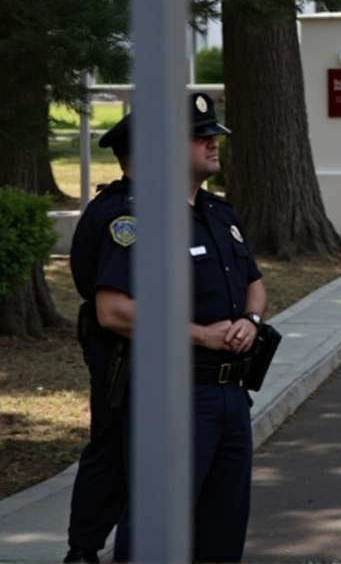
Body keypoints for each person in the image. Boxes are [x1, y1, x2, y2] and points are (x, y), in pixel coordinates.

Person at [107, 93, 268, 563]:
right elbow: (114, 311)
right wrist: (202, 335)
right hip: (175, 395)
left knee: (223, 528)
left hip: (232, 395)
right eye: (199, 137)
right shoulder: (141, 219)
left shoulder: (221, 214)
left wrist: (251, 322)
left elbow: (255, 285)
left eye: (213, 135)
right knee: (156, 529)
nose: (212, 144)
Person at [64, 123, 135, 564]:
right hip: (121, 354)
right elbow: (114, 309)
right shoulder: (125, 216)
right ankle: (85, 549)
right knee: (114, 448)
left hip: (128, 350)